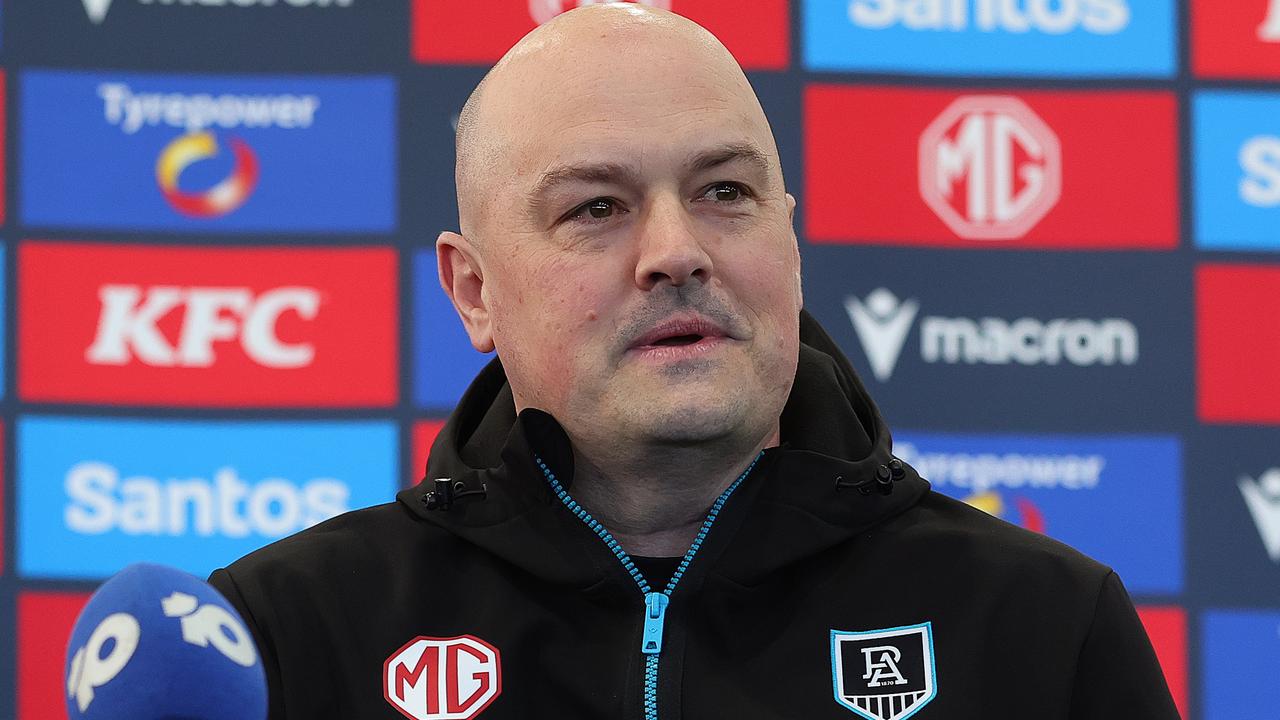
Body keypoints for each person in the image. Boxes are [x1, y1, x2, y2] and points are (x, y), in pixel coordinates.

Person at [210, 4, 1180, 719]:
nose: (676, 251)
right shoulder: (289, 637)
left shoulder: (1043, 630)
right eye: (596, 207)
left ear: (788, 241)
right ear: (474, 292)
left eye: (723, 192)